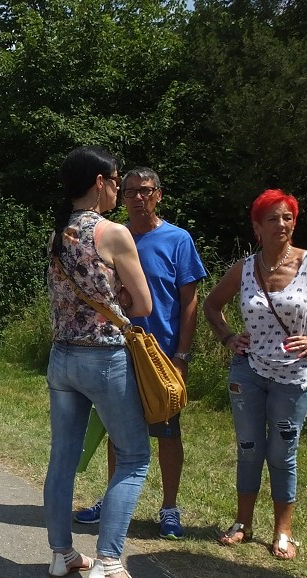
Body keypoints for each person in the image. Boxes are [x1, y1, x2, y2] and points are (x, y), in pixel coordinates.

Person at [43, 145, 153, 578]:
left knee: (63, 457)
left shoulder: (56, 233)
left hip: (61, 358)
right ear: (99, 182)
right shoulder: (114, 233)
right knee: (134, 456)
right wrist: (119, 301)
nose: (118, 187)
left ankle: (61, 553)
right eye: (115, 179)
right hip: (104, 357)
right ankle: (108, 562)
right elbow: (142, 304)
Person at [73, 169, 206, 540]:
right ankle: (116, 502)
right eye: (129, 191)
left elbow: (190, 301)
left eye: (145, 191)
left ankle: (169, 508)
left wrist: (182, 353)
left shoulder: (178, 240)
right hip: (116, 347)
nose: (136, 198)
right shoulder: (112, 234)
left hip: (160, 354)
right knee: (118, 431)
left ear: (158, 195)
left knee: (166, 431)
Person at [203, 189, 307, 560]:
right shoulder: (245, 267)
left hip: (293, 375)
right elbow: (211, 304)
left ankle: (283, 531)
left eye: (287, 217)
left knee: (283, 453)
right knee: (250, 448)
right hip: (248, 370)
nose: (282, 225)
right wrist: (227, 336)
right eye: (273, 218)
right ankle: (243, 523)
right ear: (257, 226)